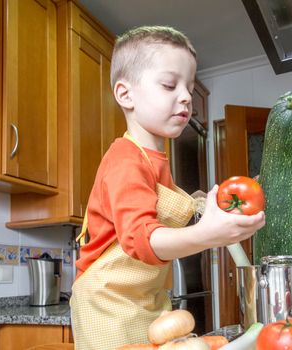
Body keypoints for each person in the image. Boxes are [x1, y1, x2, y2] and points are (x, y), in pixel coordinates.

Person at [69, 25, 265, 350]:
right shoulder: (125, 159)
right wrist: (209, 236)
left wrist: (222, 202)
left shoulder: (157, 161)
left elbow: (185, 205)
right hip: (107, 305)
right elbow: (140, 239)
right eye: (169, 84)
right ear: (125, 94)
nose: (186, 96)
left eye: (188, 86)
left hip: (147, 301)